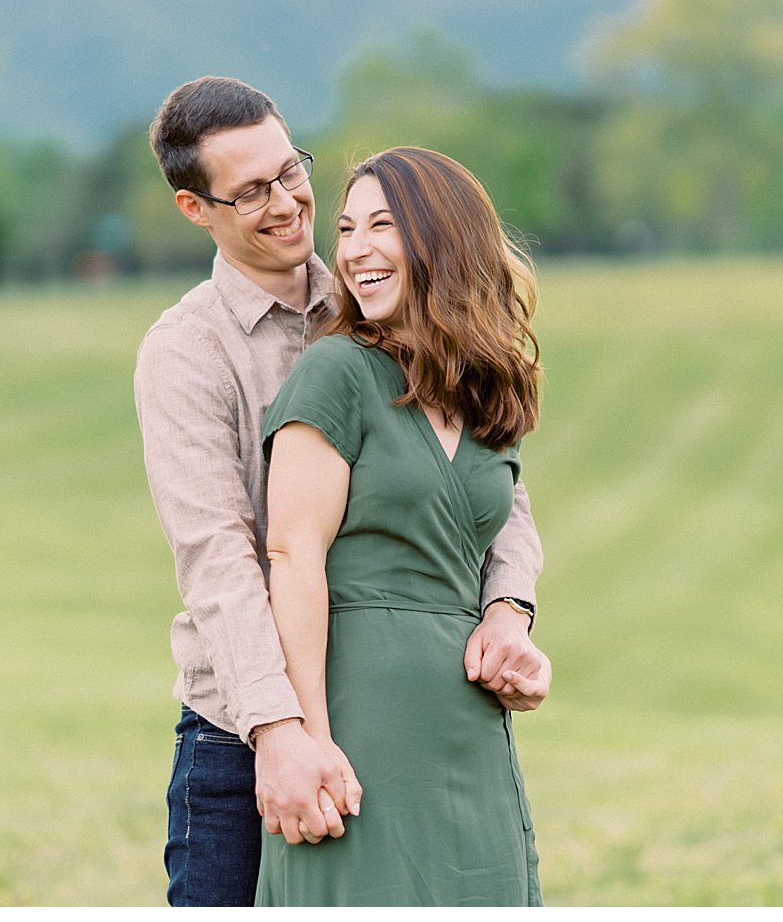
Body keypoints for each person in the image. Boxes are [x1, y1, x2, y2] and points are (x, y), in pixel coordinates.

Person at [133, 77, 550, 906]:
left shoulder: (382, 301)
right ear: (195, 208)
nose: (288, 203)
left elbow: (492, 483)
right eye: (251, 191)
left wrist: (508, 609)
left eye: (291, 171)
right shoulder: (186, 352)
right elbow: (221, 559)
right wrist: (283, 731)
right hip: (242, 723)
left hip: (392, 713)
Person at [254, 147, 544, 906]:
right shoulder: (336, 371)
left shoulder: (486, 393)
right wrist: (308, 735)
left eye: (383, 225)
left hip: (465, 728)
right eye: (346, 228)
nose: (353, 250)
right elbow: (292, 554)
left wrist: (511, 623)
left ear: (444, 240)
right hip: (358, 716)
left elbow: (504, 537)